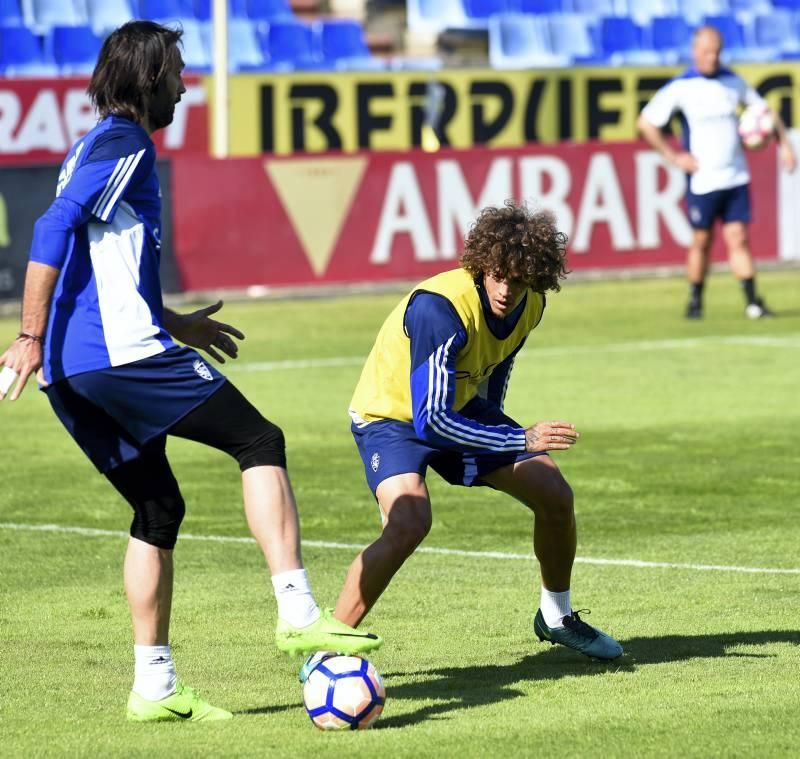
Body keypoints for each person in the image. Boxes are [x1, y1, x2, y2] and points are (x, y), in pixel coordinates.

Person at [0, 21, 380, 723]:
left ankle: (154, 686)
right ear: (149, 77)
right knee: (258, 440)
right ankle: (296, 610)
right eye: (176, 69)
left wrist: (178, 323)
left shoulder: (92, 145)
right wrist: (25, 332)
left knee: (157, 508)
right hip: (113, 358)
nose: (184, 82)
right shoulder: (125, 144)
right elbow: (52, 228)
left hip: (72, 370)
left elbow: (100, 264)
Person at [301, 202, 622, 682]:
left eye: (519, 278)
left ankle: (556, 616)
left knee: (554, 492)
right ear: (480, 264)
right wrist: (519, 436)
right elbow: (430, 421)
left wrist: (501, 435)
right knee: (410, 520)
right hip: (391, 416)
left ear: (536, 276)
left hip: (458, 405)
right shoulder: (440, 308)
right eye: (497, 275)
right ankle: (326, 650)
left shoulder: (530, 303)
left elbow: (495, 368)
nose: (506, 288)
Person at [638, 25, 796, 320]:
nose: (712, 58)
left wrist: (784, 145)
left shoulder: (732, 82)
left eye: (717, 52)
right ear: (695, 52)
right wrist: (674, 156)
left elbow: (765, 112)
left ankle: (753, 303)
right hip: (703, 179)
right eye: (707, 52)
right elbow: (646, 123)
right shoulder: (681, 87)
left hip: (735, 175)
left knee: (739, 237)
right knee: (702, 240)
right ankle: (695, 301)